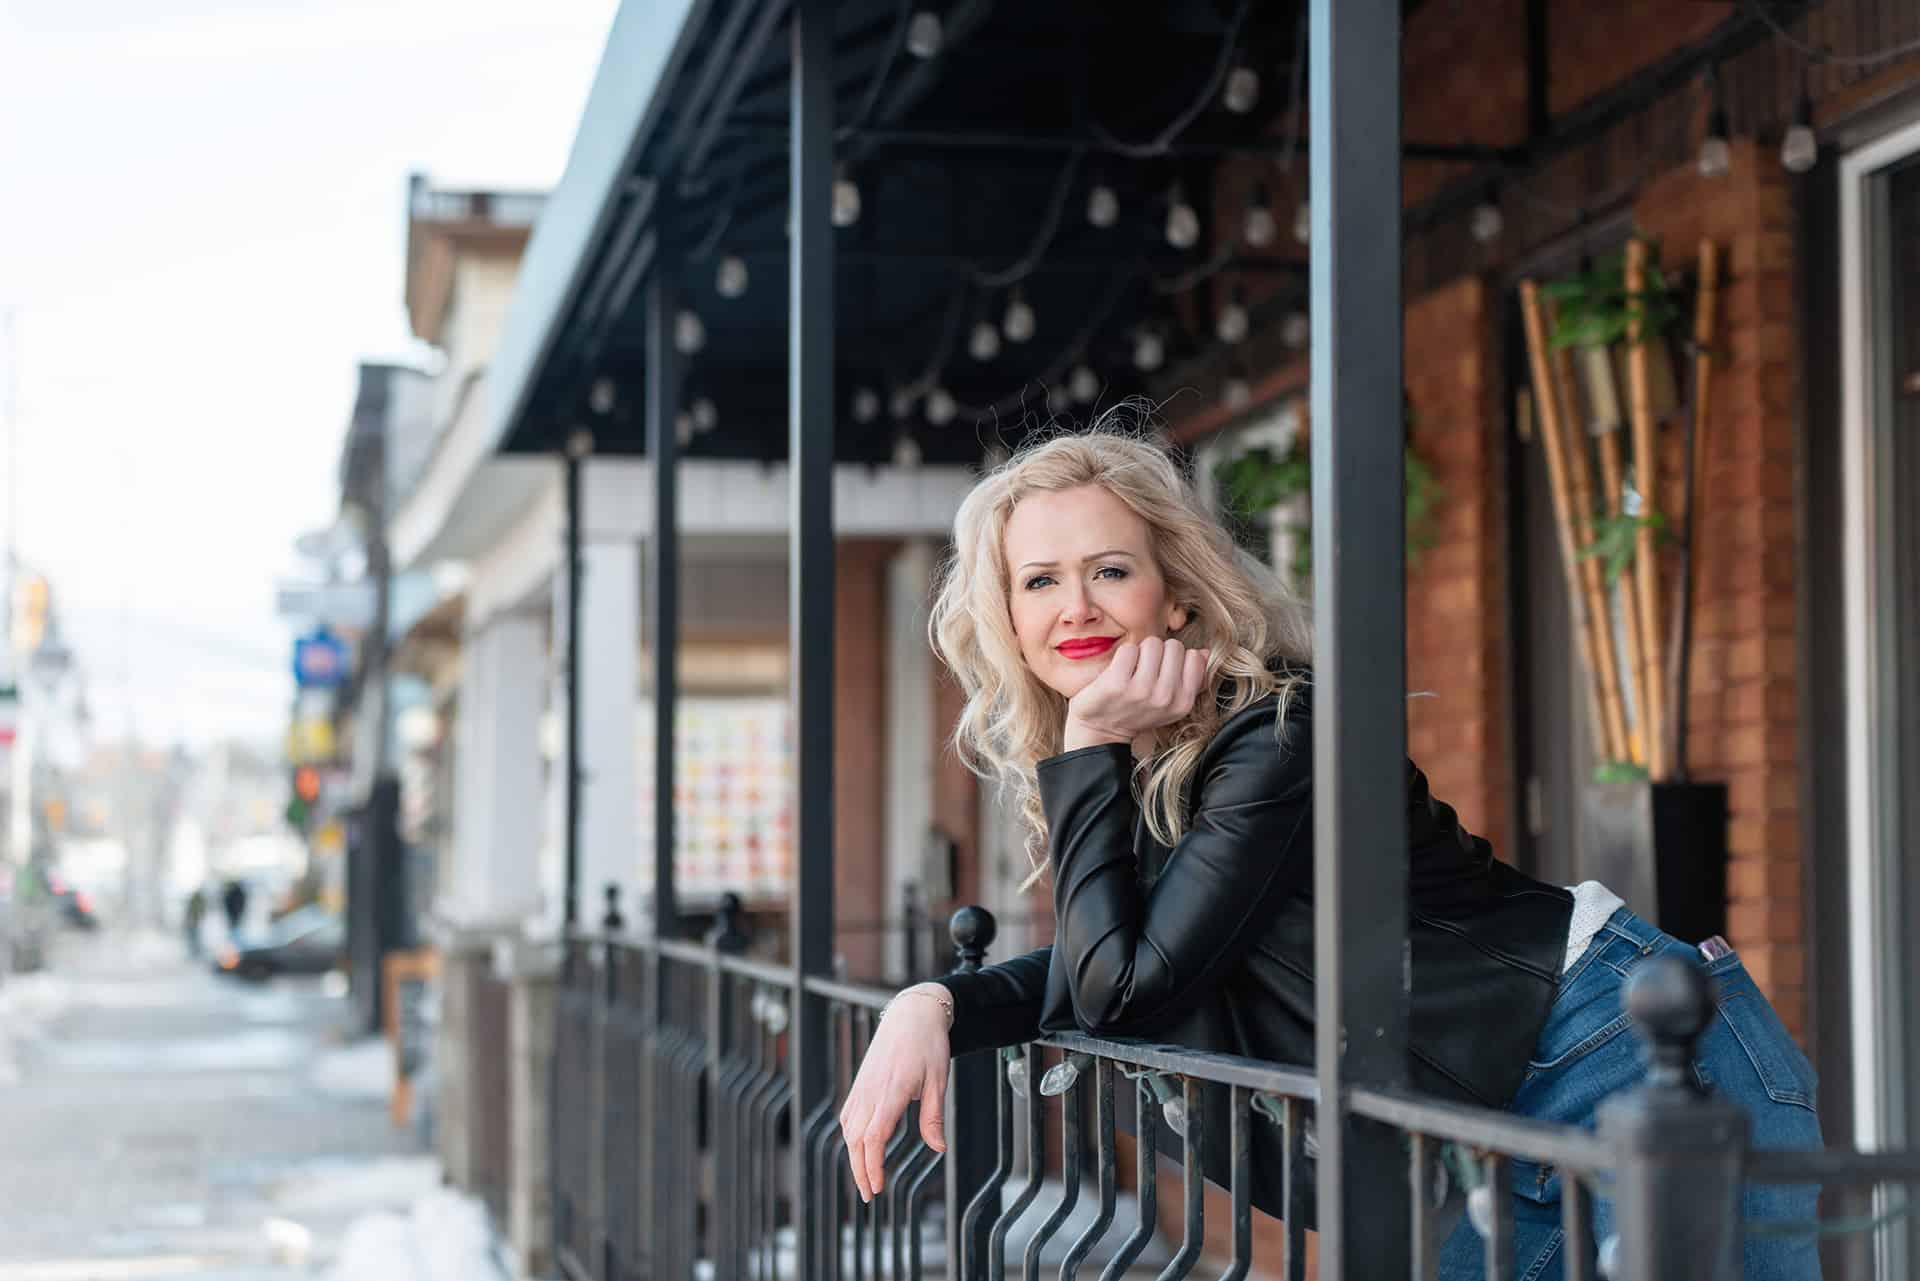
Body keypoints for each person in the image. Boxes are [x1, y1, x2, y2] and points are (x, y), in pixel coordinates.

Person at [839, 428, 1821, 1281]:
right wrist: (938, 1003)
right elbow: (1129, 956)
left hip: (1638, 1058)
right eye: (1040, 580)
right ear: (1009, 617)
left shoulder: (1277, 734)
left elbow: (1124, 989)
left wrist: (1086, 746)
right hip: (1508, 1100)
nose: (1076, 608)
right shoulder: (1157, 766)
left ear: (1176, 596)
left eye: (1110, 570)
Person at [183, 886, 207, 957]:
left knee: (195, 937)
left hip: (195, 921)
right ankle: (195, 952)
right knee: (194, 937)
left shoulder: (197, 900)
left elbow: (200, 911)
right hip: (193, 921)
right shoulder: (197, 900)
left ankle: (196, 952)